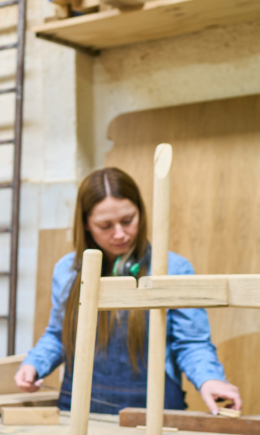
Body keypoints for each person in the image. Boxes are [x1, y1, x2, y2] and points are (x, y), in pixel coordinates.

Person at [16, 167, 240, 415]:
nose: (120, 234)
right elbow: (60, 335)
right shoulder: (67, 271)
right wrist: (35, 364)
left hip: (155, 411)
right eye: (105, 225)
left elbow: (191, 342)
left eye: (127, 220)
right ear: (86, 225)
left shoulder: (173, 268)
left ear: (140, 213)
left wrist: (210, 379)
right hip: (81, 409)